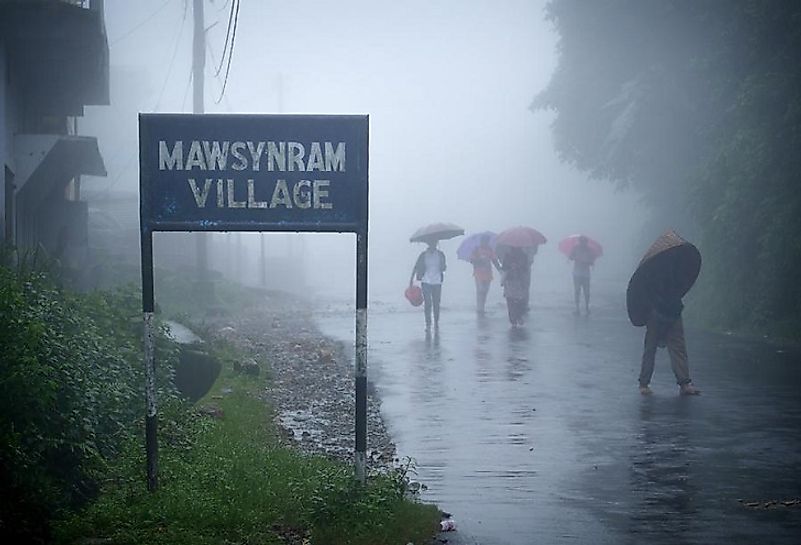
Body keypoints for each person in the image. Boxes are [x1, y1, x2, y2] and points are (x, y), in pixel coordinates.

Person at [638, 263, 701, 396]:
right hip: (657, 312)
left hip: (672, 311)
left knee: (676, 347)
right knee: (652, 347)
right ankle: (644, 383)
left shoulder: (674, 267)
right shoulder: (653, 270)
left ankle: (684, 383)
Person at [410, 240, 447, 332]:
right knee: (427, 303)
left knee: (436, 303)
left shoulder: (440, 254)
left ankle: (436, 323)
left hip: (437, 282)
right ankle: (428, 323)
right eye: (431, 244)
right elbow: (416, 266)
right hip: (426, 281)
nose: (433, 245)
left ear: (436, 244)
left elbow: (444, 268)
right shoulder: (423, 255)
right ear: (428, 244)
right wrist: (411, 279)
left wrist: (443, 265)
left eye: (434, 243)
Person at [469, 235, 501, 314]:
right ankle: (479, 308)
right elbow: (472, 261)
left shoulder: (490, 250)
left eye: (486, 241)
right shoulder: (476, 250)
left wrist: (500, 270)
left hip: (488, 274)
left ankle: (482, 308)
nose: (485, 242)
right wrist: (480, 260)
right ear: (481, 241)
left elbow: (494, 260)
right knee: (480, 290)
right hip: (478, 273)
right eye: (484, 241)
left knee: (485, 291)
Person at [500, 247, 529, 327]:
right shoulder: (523, 255)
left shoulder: (508, 255)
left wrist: (513, 267)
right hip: (518, 281)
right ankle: (518, 316)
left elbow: (504, 268)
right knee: (519, 299)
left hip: (511, 281)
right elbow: (526, 269)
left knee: (510, 300)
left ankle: (513, 319)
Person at [569, 236, 596, 315]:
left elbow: (592, 262)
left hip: (585, 274)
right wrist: (575, 257)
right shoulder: (575, 248)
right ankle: (577, 308)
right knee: (577, 291)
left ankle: (587, 307)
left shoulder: (589, 250)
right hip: (577, 273)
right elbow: (570, 257)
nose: (582, 243)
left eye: (584, 242)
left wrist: (586, 261)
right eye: (581, 242)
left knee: (586, 291)